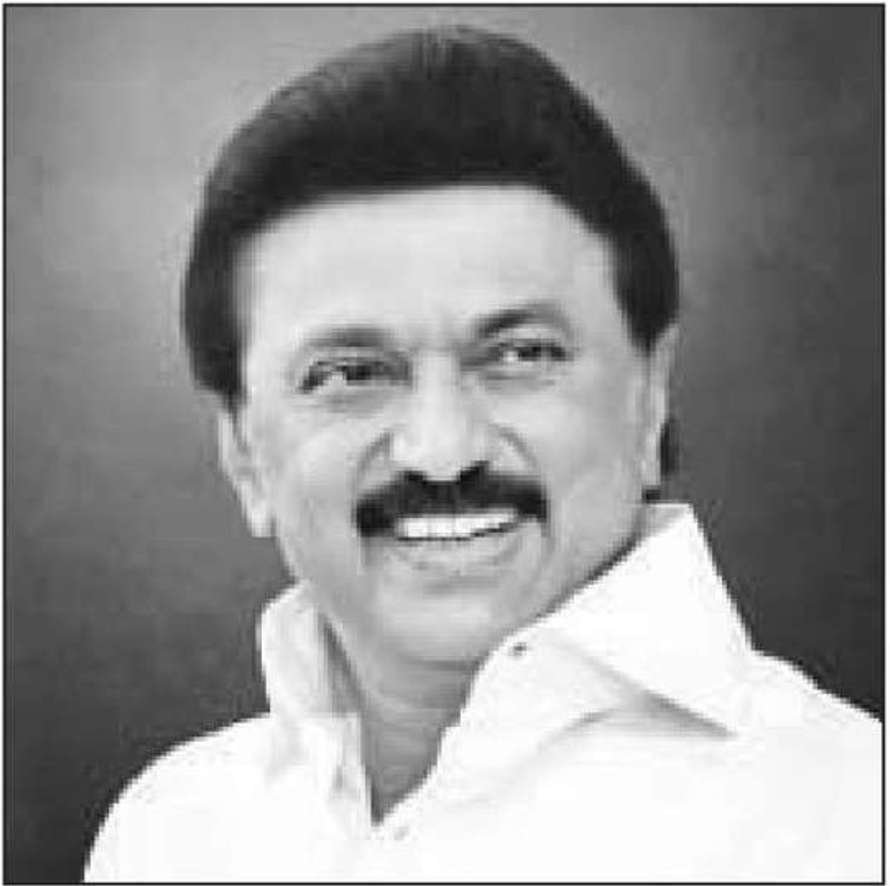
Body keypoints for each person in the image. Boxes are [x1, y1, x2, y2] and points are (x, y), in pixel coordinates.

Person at [84, 26, 880, 882]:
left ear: (649, 398)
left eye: (521, 355)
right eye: (350, 374)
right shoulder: (169, 833)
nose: (441, 451)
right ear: (244, 452)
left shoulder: (846, 820)